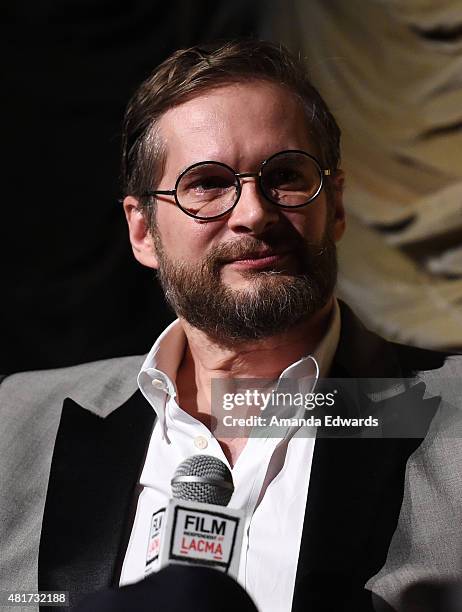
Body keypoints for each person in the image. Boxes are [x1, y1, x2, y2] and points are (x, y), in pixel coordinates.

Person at [1, 40, 462, 612]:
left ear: (335, 206)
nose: (253, 213)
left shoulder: (451, 412)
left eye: (286, 175)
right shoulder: (18, 422)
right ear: (143, 231)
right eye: (208, 184)